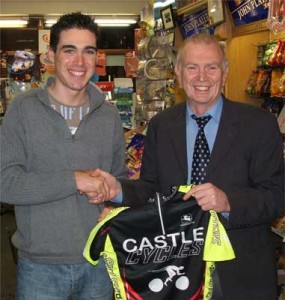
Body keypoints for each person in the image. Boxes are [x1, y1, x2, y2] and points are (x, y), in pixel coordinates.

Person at [89, 34, 285, 299]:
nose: (201, 77)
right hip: (176, 270)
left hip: (241, 271)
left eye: (211, 67)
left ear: (224, 73)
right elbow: (152, 189)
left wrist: (228, 202)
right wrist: (119, 191)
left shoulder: (258, 125)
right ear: (179, 74)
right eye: (192, 67)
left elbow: (277, 195)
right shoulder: (161, 125)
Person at [0, 12, 127, 299]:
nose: (79, 62)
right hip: (39, 269)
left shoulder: (108, 115)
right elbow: (5, 183)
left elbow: (119, 179)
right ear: (51, 55)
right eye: (69, 50)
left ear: (97, 57)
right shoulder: (22, 110)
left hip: (99, 261)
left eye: (88, 51)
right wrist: (74, 180)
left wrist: (112, 200)